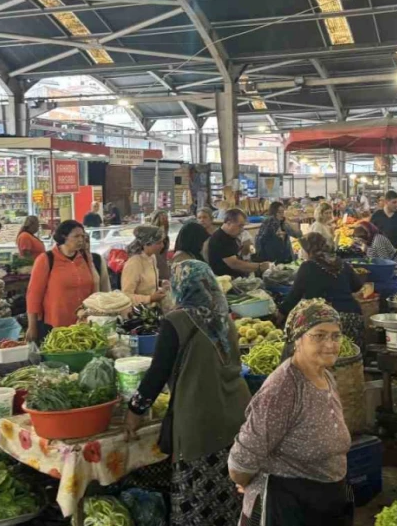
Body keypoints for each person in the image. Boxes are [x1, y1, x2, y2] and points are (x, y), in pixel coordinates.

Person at [125, 260, 250, 526]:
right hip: (235, 415)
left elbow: (157, 373)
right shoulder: (223, 318)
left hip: (199, 420)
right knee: (230, 498)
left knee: (198, 499)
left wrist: (135, 411)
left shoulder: (177, 321)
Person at [229, 300, 353, 526]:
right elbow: (241, 462)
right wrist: (248, 480)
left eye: (336, 336)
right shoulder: (283, 389)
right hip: (286, 507)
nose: (330, 344)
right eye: (319, 335)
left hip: (323, 502)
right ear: (297, 339)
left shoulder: (326, 376)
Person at [280, 234, 364, 350]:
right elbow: (357, 286)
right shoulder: (340, 263)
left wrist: (279, 313)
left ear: (308, 249)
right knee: (350, 357)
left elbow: (294, 297)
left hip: (329, 321)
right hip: (354, 318)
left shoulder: (307, 266)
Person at [25, 220, 98, 341]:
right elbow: (33, 295)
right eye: (76, 236)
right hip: (55, 325)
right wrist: (32, 326)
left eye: (82, 236)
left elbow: (94, 286)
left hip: (84, 324)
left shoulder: (85, 258)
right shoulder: (46, 259)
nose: (81, 240)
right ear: (64, 237)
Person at [207, 209, 272, 278]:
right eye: (240, 226)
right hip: (228, 281)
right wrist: (259, 266)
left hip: (239, 276)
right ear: (228, 223)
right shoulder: (220, 238)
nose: (242, 229)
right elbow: (235, 264)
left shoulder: (230, 236)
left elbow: (250, 250)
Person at [122, 225, 170, 305]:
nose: (162, 246)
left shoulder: (152, 257)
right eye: (158, 243)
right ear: (147, 244)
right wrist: (150, 298)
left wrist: (160, 282)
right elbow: (126, 296)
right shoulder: (134, 263)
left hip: (152, 309)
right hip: (139, 312)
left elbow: (144, 282)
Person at [148, 209, 172, 281]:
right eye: (163, 218)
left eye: (166, 218)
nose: (165, 220)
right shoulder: (150, 236)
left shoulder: (166, 237)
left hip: (163, 270)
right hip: (152, 270)